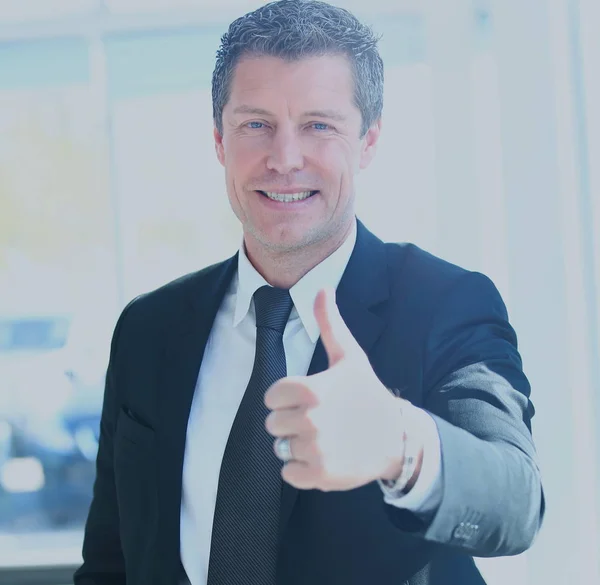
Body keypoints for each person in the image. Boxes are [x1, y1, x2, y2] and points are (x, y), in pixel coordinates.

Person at [74, 1, 545, 584]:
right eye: (256, 125)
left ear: (368, 141)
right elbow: (110, 563)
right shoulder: (148, 330)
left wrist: (398, 444)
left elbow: (517, 502)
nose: (284, 158)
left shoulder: (445, 305)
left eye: (319, 125)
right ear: (220, 141)